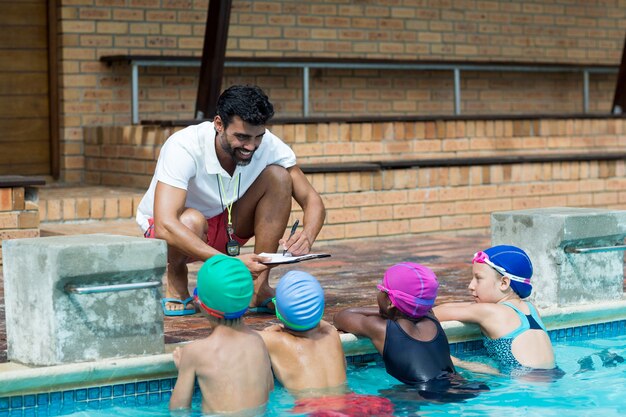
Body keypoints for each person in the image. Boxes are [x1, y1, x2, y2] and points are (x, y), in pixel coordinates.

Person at [136, 84, 326, 315]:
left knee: (278, 177)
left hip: (224, 223)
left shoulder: (267, 144)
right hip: (174, 232)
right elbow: (166, 225)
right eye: (242, 137)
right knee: (191, 219)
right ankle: (176, 283)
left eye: (258, 137)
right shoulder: (184, 145)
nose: (251, 146)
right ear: (218, 124)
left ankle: (258, 287)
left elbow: (312, 199)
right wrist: (232, 263)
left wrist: (307, 235)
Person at [169, 255, 274, 414]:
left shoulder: (196, 352)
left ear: (201, 304)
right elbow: (270, 390)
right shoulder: (258, 341)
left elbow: (178, 409)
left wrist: (184, 368)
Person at [433, 245, 557, 373]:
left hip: (522, 381)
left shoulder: (490, 312)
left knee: (455, 364)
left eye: (478, 278)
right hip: (553, 375)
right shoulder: (531, 308)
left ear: (504, 283)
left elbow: (436, 313)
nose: (471, 285)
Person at [333, 262, 457, 387]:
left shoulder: (381, 328)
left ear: (390, 302)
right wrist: (397, 308)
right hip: (458, 385)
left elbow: (341, 317)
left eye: (381, 289)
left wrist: (389, 311)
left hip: (420, 396)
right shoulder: (432, 318)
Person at [257, 270, 347, 397]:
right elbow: (315, 318)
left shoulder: (276, 341)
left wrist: (274, 329)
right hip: (351, 403)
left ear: (278, 310)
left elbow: (240, 337)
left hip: (314, 410)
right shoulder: (331, 333)